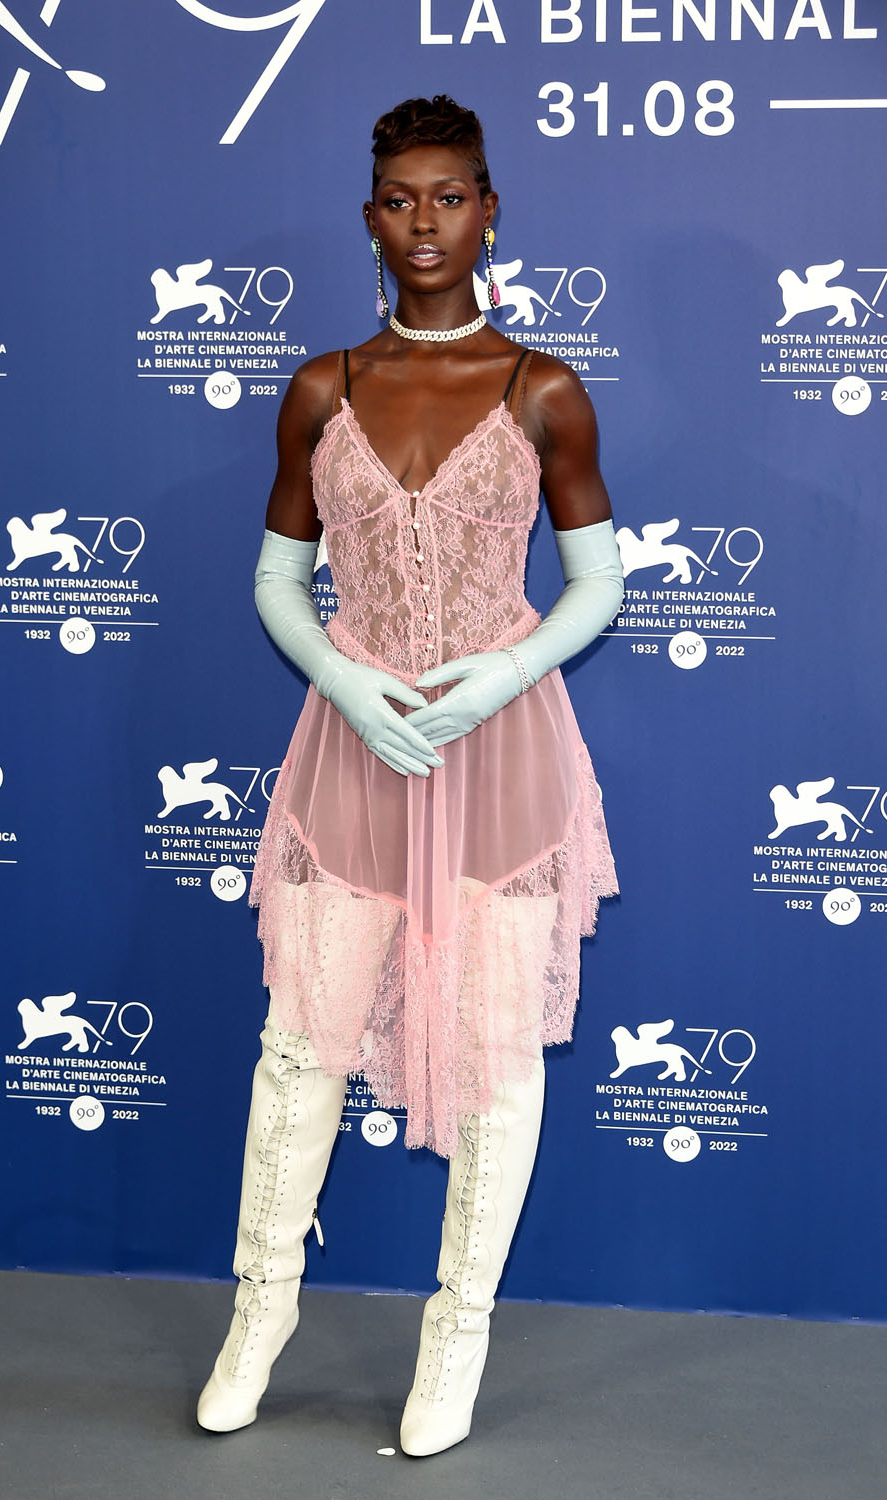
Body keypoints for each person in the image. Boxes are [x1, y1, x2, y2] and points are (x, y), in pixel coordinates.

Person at [197, 94, 624, 1457]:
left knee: (498, 1055)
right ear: (370, 217)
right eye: (399, 198)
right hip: (356, 748)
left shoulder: (543, 389)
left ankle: (457, 1340)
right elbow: (278, 580)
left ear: (491, 211)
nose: (424, 222)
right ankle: (259, 1314)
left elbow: (599, 580)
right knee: (301, 1047)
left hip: (502, 758)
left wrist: (505, 672)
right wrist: (343, 679)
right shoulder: (322, 388)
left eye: (450, 197)